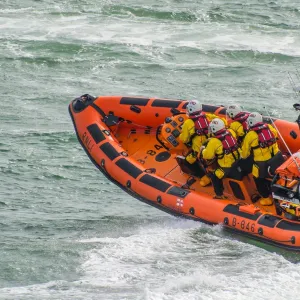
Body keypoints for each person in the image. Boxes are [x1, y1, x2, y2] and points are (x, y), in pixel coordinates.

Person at [179, 100, 224, 187]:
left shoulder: (188, 123)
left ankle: (203, 176)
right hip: (213, 146)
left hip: (200, 151)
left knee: (188, 161)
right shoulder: (208, 116)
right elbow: (222, 122)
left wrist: (181, 134)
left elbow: (184, 139)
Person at [241, 112, 281, 206]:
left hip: (262, 162)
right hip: (276, 157)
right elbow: (275, 136)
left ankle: (266, 198)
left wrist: (242, 157)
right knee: (277, 177)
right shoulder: (269, 127)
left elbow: (245, 153)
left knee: (258, 179)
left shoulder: (250, 135)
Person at [201, 118, 241, 199]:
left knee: (214, 177)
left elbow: (207, 156)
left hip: (227, 166)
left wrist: (203, 149)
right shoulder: (230, 132)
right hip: (238, 160)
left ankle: (219, 195)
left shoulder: (214, 142)